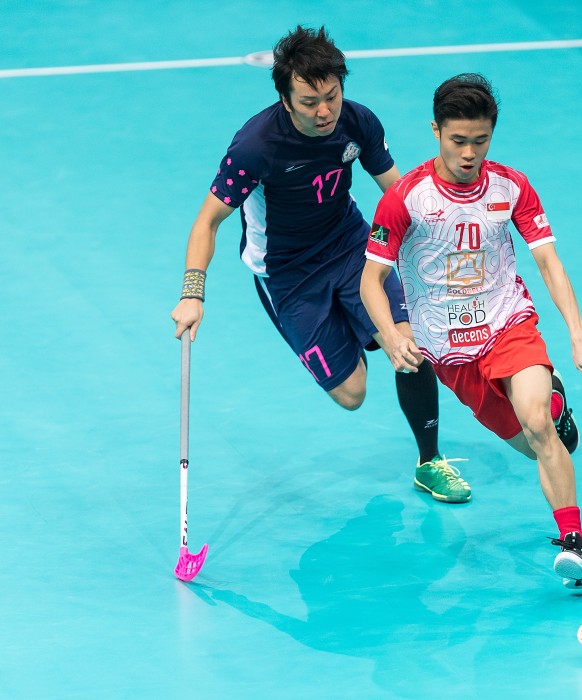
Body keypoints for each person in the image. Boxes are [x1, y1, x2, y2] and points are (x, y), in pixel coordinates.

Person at [170, 26, 472, 503]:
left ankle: (429, 461)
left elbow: (395, 195)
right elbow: (207, 222)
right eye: (310, 102)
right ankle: (359, 329)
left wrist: (435, 250)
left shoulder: (357, 122)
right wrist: (192, 294)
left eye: (331, 96)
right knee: (352, 395)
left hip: (350, 246)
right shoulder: (255, 147)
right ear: (286, 101)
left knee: (411, 345)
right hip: (287, 274)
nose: (325, 111)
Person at [360, 73, 582, 588]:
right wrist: (392, 333)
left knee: (536, 425)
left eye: (481, 140)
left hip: (506, 323)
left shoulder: (511, 186)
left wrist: (578, 335)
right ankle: (554, 405)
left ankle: (574, 543)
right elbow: (370, 281)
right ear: (435, 131)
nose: (469, 153)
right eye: (458, 140)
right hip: (449, 354)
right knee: (535, 443)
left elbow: (549, 263)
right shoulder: (405, 199)